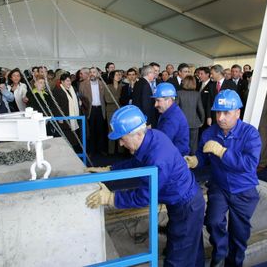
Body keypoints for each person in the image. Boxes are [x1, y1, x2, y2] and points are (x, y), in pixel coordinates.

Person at [85, 105, 205, 267]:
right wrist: (110, 169)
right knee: (192, 250)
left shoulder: (158, 158)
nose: (120, 144)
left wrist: (111, 198)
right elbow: (138, 160)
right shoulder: (152, 137)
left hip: (186, 206)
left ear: (138, 134)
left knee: (178, 258)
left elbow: (144, 196)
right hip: (184, 201)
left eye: (122, 138)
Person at [184, 90, 261, 266]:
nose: (220, 117)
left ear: (237, 113)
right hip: (219, 187)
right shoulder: (209, 132)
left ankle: (234, 262)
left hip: (243, 190)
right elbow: (204, 154)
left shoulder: (250, 134)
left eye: (226, 113)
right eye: (218, 112)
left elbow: (249, 164)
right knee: (213, 222)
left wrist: (222, 152)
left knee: (239, 233)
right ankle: (219, 255)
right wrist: (196, 160)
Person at [152, 82, 190, 156]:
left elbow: (162, 143)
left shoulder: (172, 118)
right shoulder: (170, 112)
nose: (155, 105)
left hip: (175, 158)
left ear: (169, 100)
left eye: (158, 101)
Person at [176, 75, 205, 155]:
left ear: (184, 83)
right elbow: (201, 109)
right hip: (194, 123)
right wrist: (202, 121)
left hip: (181, 123)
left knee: (182, 143)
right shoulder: (197, 94)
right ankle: (192, 163)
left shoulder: (179, 93)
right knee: (193, 145)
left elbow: (175, 108)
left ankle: (182, 161)